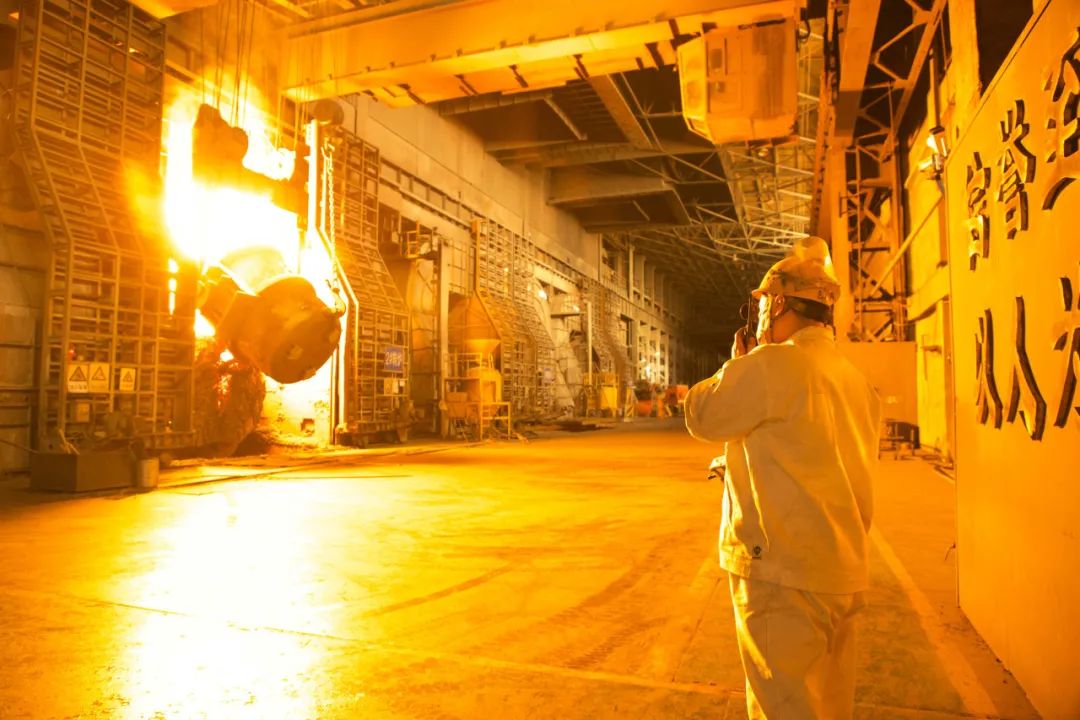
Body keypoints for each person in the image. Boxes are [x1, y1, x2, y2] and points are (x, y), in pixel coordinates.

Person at [683, 236, 881, 719]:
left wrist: (737, 362)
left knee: (783, 709)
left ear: (778, 304)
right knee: (830, 706)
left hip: (784, 575)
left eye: (763, 305)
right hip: (842, 571)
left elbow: (702, 415)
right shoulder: (853, 379)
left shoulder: (771, 364)